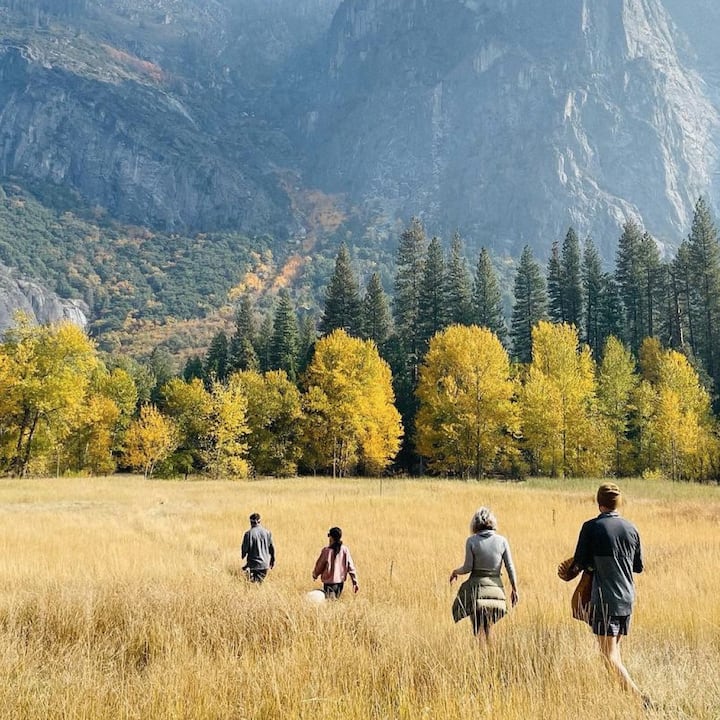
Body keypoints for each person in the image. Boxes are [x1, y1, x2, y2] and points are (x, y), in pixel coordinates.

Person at [569, 483, 647, 703]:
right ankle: (621, 701)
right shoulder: (631, 528)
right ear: (617, 503)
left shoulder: (591, 527)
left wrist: (579, 568)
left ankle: (641, 700)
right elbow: (638, 566)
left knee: (608, 656)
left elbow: (579, 563)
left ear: (598, 502)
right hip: (627, 598)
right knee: (615, 653)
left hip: (605, 599)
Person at [450, 507, 518, 644]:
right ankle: (491, 657)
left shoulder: (471, 541)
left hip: (477, 593)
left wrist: (455, 572)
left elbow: (468, 568)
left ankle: (481, 659)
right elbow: (510, 567)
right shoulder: (502, 541)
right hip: (497, 593)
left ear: (475, 524)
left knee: (478, 631)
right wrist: (515, 589)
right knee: (489, 628)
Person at [312, 526, 359, 599]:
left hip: (328, 584)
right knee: (335, 601)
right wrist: (355, 582)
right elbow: (351, 567)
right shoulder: (345, 550)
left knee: (330, 603)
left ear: (331, 537)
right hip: (340, 583)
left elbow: (319, 566)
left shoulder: (326, 551)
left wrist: (315, 574)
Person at [241, 512, 275, 583]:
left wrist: (243, 556)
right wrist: (272, 560)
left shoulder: (248, 534)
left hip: (253, 566)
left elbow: (244, 550)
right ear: (260, 521)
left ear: (251, 522)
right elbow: (271, 548)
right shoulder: (267, 532)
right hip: (265, 565)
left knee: (251, 585)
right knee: (259, 584)